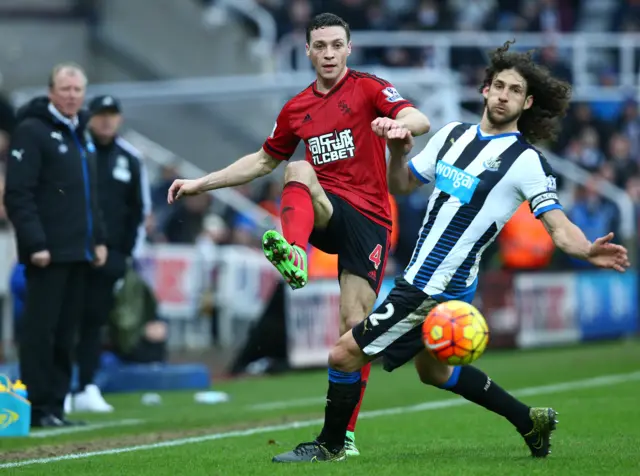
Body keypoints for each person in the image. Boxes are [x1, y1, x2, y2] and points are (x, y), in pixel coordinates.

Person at [270, 40, 630, 462]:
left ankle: (331, 446)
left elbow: (557, 224)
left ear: (527, 102)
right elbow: (401, 185)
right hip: (434, 279)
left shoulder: (526, 162)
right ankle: (528, 420)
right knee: (434, 371)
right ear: (484, 89)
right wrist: (398, 150)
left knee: (343, 354)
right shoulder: (452, 135)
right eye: (498, 86)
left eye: (514, 90)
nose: (503, 95)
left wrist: (586, 248)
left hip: (433, 286)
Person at [168, 12, 430, 455]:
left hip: (370, 221)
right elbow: (260, 161)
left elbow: (416, 116)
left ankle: (343, 438)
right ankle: (294, 252)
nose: (328, 53)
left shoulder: (368, 87)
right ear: (307, 51)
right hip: (326, 211)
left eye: (336, 45)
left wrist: (400, 126)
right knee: (297, 167)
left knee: (353, 330)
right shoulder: (295, 109)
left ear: (348, 48)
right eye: (320, 46)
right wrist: (202, 182)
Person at [3, 63, 107, 427]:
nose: (72, 95)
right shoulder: (32, 131)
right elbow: (18, 193)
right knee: (39, 334)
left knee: (67, 335)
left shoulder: (82, 132)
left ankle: (56, 408)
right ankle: (35, 406)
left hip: (79, 251)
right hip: (48, 253)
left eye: (77, 89)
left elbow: (91, 195)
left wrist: (99, 239)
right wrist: (35, 243)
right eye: (65, 88)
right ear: (51, 91)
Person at [64, 95, 147, 414]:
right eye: (101, 114)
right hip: (73, 253)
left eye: (112, 115)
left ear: (120, 119)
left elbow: (139, 211)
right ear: (90, 117)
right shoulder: (76, 151)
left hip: (109, 257)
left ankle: (85, 384)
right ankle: (62, 386)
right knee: (65, 320)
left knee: (94, 322)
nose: (106, 121)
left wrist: (123, 257)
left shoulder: (130, 159)